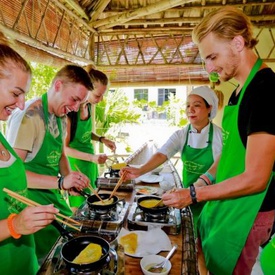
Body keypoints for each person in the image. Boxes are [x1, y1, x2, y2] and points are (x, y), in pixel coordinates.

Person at [161, 6, 275, 275]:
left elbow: (257, 177)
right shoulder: (239, 91)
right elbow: (235, 150)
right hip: (227, 203)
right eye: (205, 60)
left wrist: (192, 194)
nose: (209, 68)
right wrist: (206, 178)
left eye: (212, 57)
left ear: (237, 43)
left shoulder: (265, 91)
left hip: (249, 212)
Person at [6, 64, 93, 262]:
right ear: (58, 85)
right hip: (30, 200)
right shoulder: (29, 116)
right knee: (51, 256)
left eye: (81, 103)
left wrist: (70, 180)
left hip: (51, 195)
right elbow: (15, 175)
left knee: (71, 238)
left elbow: (61, 153)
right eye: (75, 99)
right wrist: (62, 183)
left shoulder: (60, 115)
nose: (76, 108)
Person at [122, 86, 222, 232]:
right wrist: (139, 170)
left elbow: (220, 167)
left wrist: (199, 186)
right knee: (192, 232)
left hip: (211, 198)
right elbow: (162, 153)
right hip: (187, 194)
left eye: (197, 105)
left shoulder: (220, 136)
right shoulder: (181, 134)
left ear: (209, 108)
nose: (190, 110)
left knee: (207, 234)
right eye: (188, 106)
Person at [0, 33, 59, 274]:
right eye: (15, 93)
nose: (22, 104)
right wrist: (14, 225)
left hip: (25, 263)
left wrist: (61, 182)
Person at [65, 66, 116, 208]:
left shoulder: (88, 106)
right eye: (97, 95)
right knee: (79, 209)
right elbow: (65, 148)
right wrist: (92, 158)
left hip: (89, 164)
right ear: (87, 89)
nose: (100, 100)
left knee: (93, 203)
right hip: (76, 166)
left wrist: (101, 139)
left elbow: (85, 133)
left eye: (102, 95)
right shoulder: (70, 113)